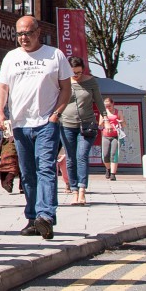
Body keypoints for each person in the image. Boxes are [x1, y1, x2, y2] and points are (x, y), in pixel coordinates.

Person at [0, 15, 71, 241]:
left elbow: (66, 89)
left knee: (45, 168)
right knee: (27, 173)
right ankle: (32, 218)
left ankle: (46, 216)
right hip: (20, 124)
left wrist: (56, 115)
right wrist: (0, 113)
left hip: (46, 122)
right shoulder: (11, 57)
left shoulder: (54, 55)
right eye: (19, 34)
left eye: (27, 32)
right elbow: (2, 89)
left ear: (38, 32)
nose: (23, 38)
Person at [58, 56, 104, 206]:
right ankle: (74, 191)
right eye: (73, 73)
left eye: (78, 72)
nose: (75, 76)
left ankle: (82, 190)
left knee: (82, 155)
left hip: (87, 125)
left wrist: (105, 117)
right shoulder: (63, 81)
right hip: (66, 124)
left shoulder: (90, 81)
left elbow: (99, 100)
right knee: (70, 158)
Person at [100, 97, 124, 180]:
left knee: (114, 154)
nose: (108, 108)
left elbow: (124, 124)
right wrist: (104, 121)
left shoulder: (118, 112)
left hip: (115, 136)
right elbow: (100, 125)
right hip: (106, 135)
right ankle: (108, 169)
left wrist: (121, 122)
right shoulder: (103, 113)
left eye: (109, 106)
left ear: (113, 104)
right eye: (106, 106)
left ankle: (113, 174)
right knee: (105, 154)